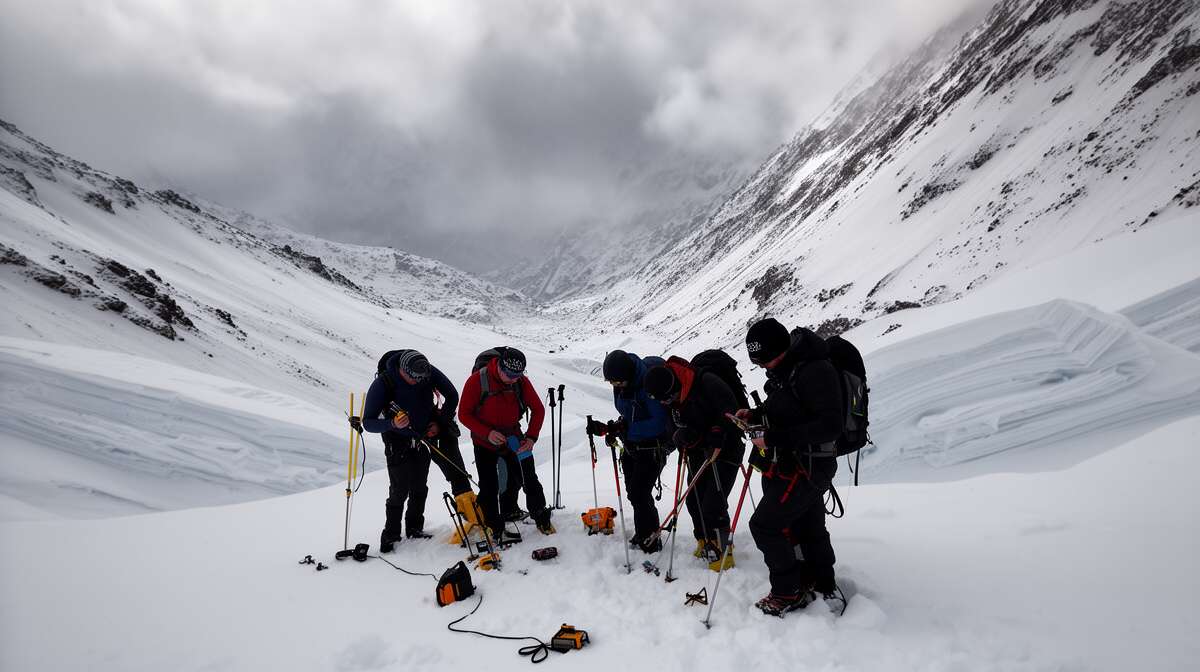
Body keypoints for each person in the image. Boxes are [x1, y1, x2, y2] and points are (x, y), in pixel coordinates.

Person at [739, 318, 844, 616]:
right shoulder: (785, 372)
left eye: (766, 359)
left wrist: (772, 438)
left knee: (765, 525)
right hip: (799, 463)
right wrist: (755, 415)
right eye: (758, 362)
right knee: (808, 526)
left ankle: (787, 591)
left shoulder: (815, 371)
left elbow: (830, 425)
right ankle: (821, 581)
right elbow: (789, 409)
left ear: (782, 348)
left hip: (810, 465)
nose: (763, 367)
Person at [361, 349, 469, 553]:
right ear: (402, 369)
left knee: (420, 484)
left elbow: (452, 395)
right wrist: (392, 424)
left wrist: (439, 422)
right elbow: (368, 422)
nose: (418, 381)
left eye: (422, 378)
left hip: (422, 436)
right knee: (399, 488)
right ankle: (391, 535)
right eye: (413, 377)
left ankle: (414, 528)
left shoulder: (426, 372)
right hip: (396, 438)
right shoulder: (384, 383)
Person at [644, 356, 745, 571]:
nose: (664, 403)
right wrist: (679, 436)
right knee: (693, 499)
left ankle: (722, 548)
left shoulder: (707, 383)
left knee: (713, 502)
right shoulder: (668, 395)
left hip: (726, 448)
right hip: (698, 450)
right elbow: (672, 423)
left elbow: (731, 413)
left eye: (666, 399)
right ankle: (705, 541)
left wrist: (716, 432)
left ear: (674, 387)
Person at [458, 347, 555, 541]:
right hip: (484, 442)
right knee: (489, 486)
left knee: (528, 478)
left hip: (514, 437)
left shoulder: (521, 382)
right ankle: (495, 527)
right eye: (509, 375)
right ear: (499, 366)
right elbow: (463, 414)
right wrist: (488, 433)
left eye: (517, 376)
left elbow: (538, 409)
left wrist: (531, 438)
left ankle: (541, 517)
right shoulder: (477, 380)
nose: (512, 379)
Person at [588, 350, 674, 553]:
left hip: (654, 446)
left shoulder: (649, 382)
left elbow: (659, 422)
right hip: (632, 445)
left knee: (639, 492)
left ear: (627, 375)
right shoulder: (623, 383)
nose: (615, 387)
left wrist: (627, 428)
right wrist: (612, 428)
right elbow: (629, 414)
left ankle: (651, 539)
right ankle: (644, 532)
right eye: (612, 383)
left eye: (617, 382)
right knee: (634, 493)